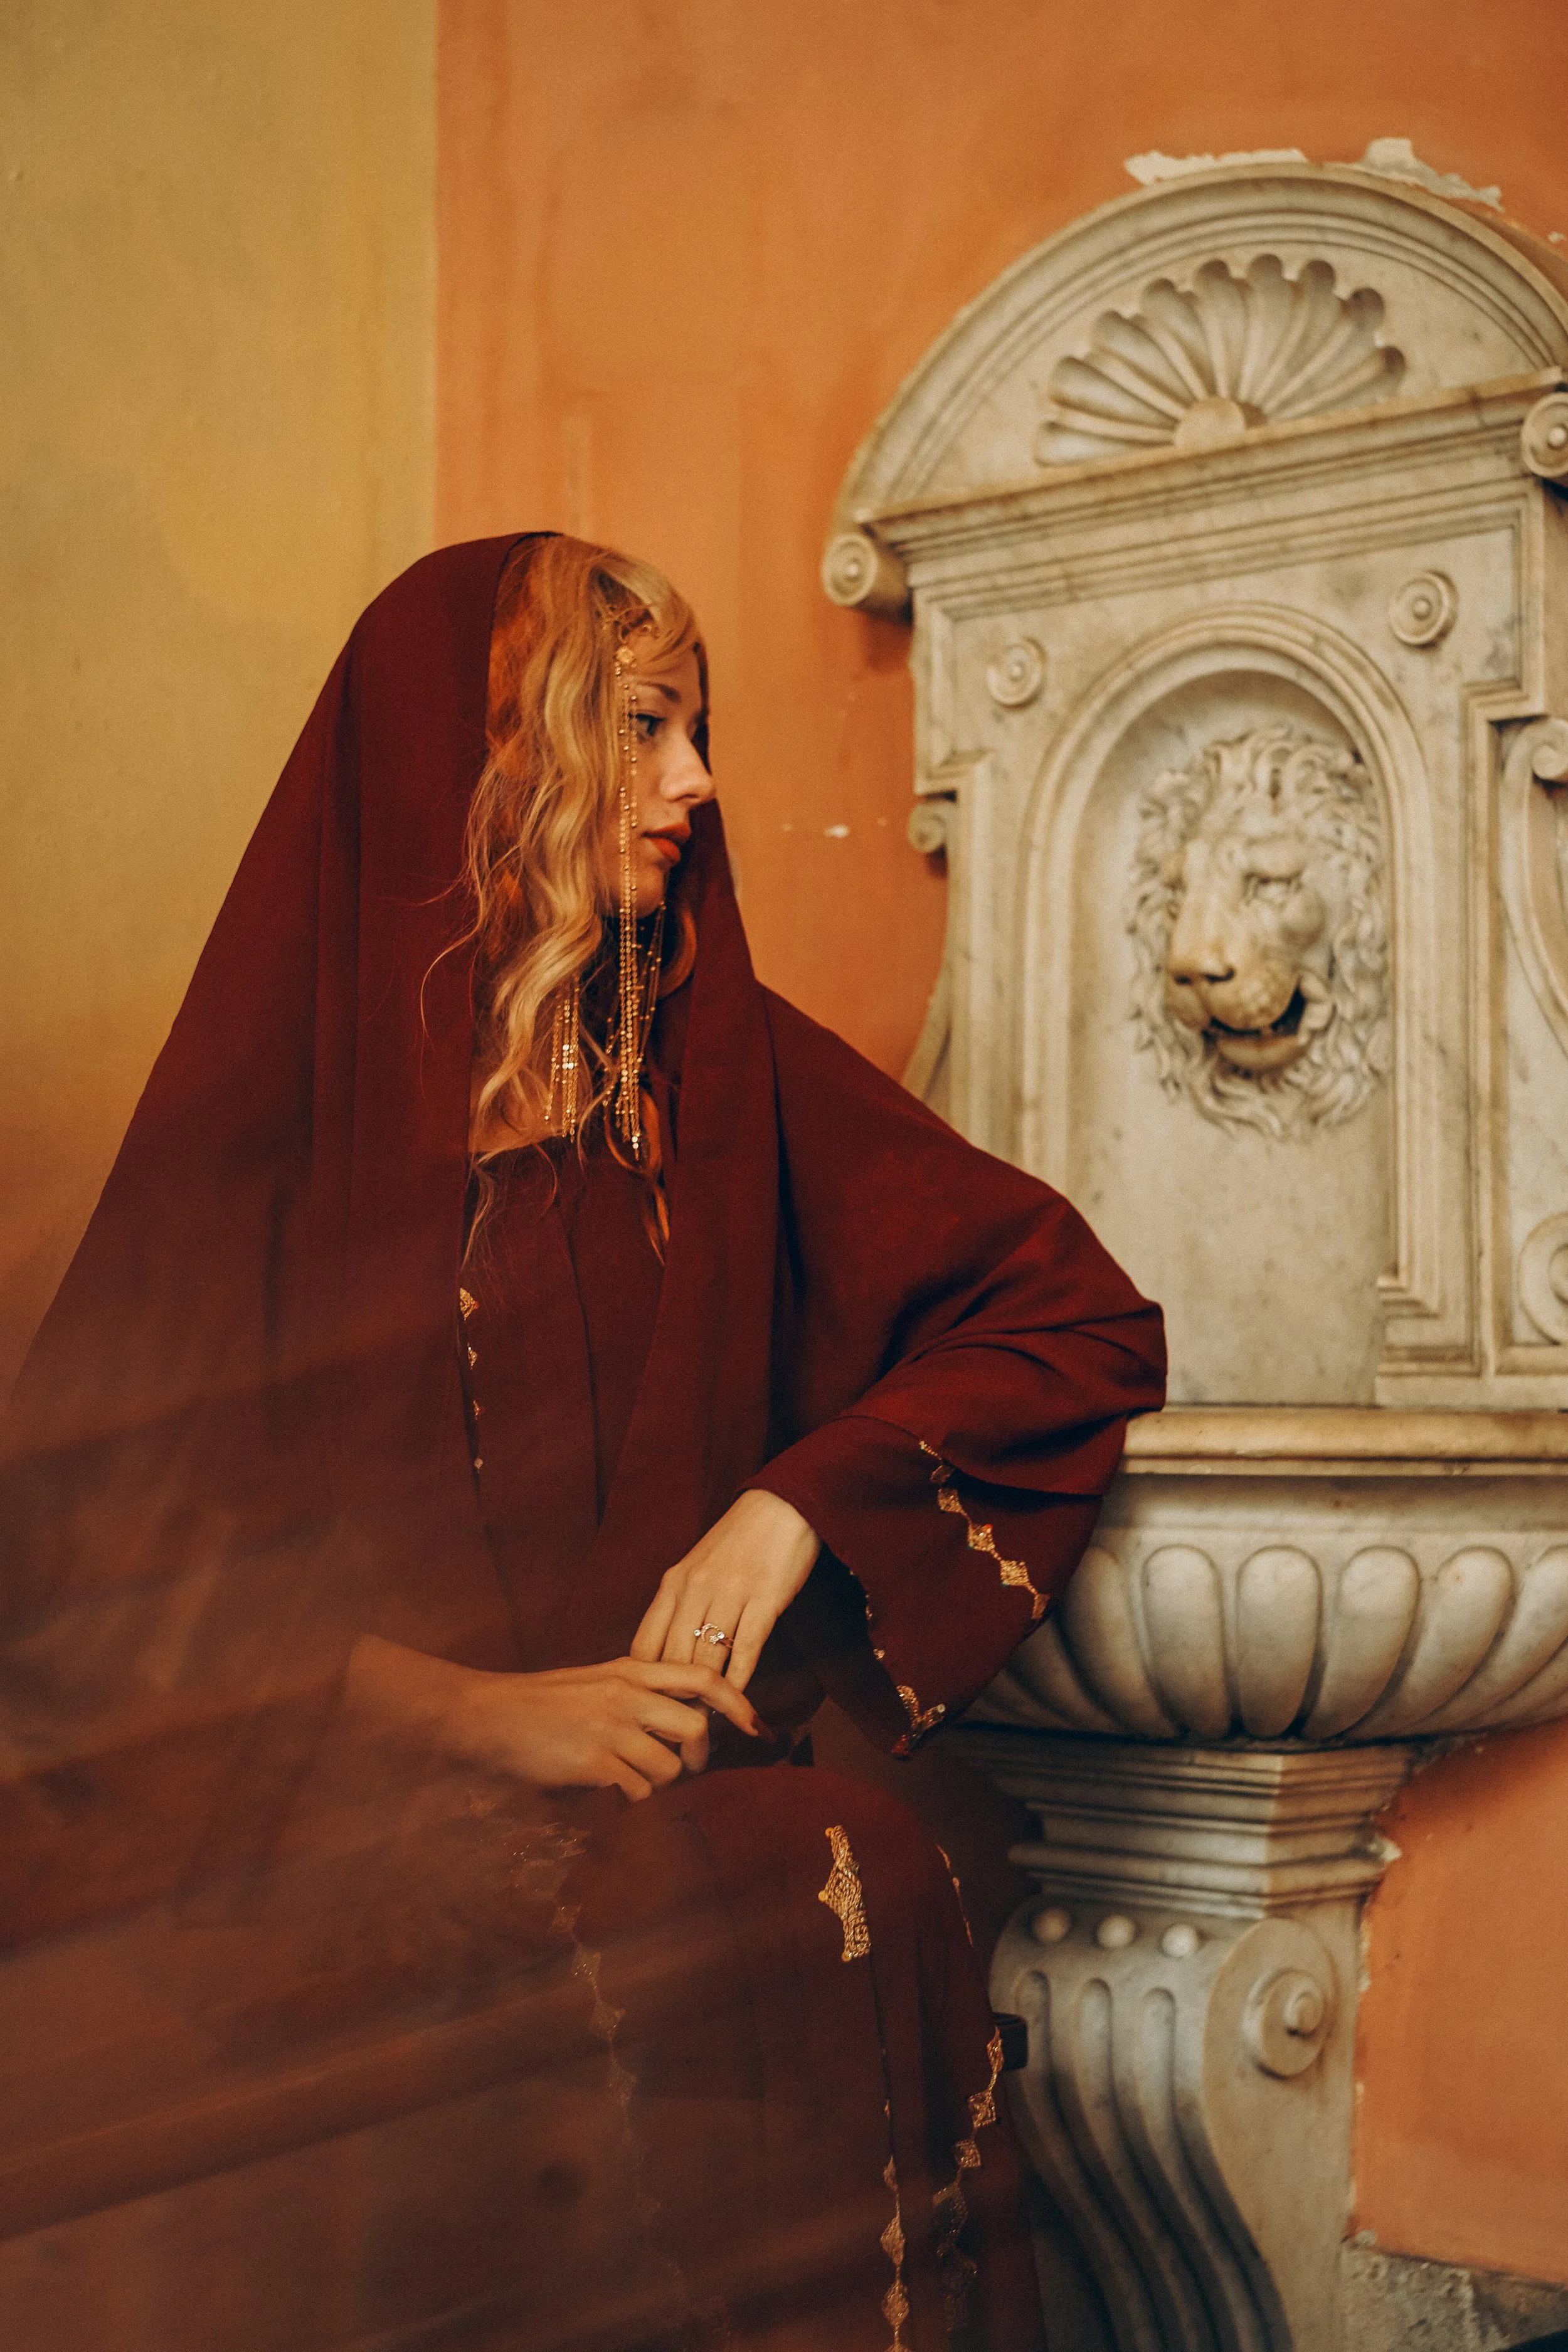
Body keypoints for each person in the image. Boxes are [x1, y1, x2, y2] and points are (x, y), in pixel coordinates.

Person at [0, 533, 1165, 2350]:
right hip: (305, 1825)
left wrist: (789, 1506)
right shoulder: (291, 1091)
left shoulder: (717, 1068)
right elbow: (86, 1566)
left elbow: (1069, 1311)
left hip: (638, 1820)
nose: (696, 786)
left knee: (834, 1871)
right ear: (494, 754)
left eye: (693, 731)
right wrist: (476, 1711)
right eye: (639, 729)